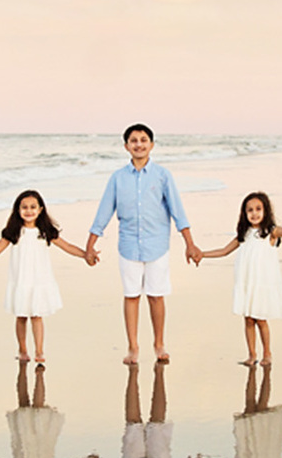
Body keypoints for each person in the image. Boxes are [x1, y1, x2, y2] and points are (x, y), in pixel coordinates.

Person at [85, 124, 203, 365]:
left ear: (152, 144)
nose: (138, 144)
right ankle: (133, 347)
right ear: (126, 146)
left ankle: (159, 344)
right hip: (128, 246)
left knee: (156, 296)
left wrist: (190, 244)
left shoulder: (162, 175)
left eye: (143, 140)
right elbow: (104, 212)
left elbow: (178, 211)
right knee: (131, 296)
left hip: (157, 245)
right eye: (133, 140)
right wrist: (90, 245)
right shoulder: (118, 178)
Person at [195, 190, 282, 365]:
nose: (254, 213)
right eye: (250, 210)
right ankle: (252, 355)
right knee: (248, 319)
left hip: (261, 283)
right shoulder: (243, 235)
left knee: (260, 319)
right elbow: (223, 251)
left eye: (258, 209)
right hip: (246, 282)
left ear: (266, 211)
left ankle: (267, 353)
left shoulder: (270, 232)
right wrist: (202, 254)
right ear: (245, 214)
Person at [0, 189, 92, 363]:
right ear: (17, 210)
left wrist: (86, 254)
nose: (29, 210)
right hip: (20, 281)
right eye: (24, 207)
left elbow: (68, 246)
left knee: (37, 315)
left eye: (33, 207)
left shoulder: (46, 231)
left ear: (40, 209)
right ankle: (23, 350)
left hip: (39, 280)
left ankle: (39, 351)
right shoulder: (14, 231)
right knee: (21, 316)